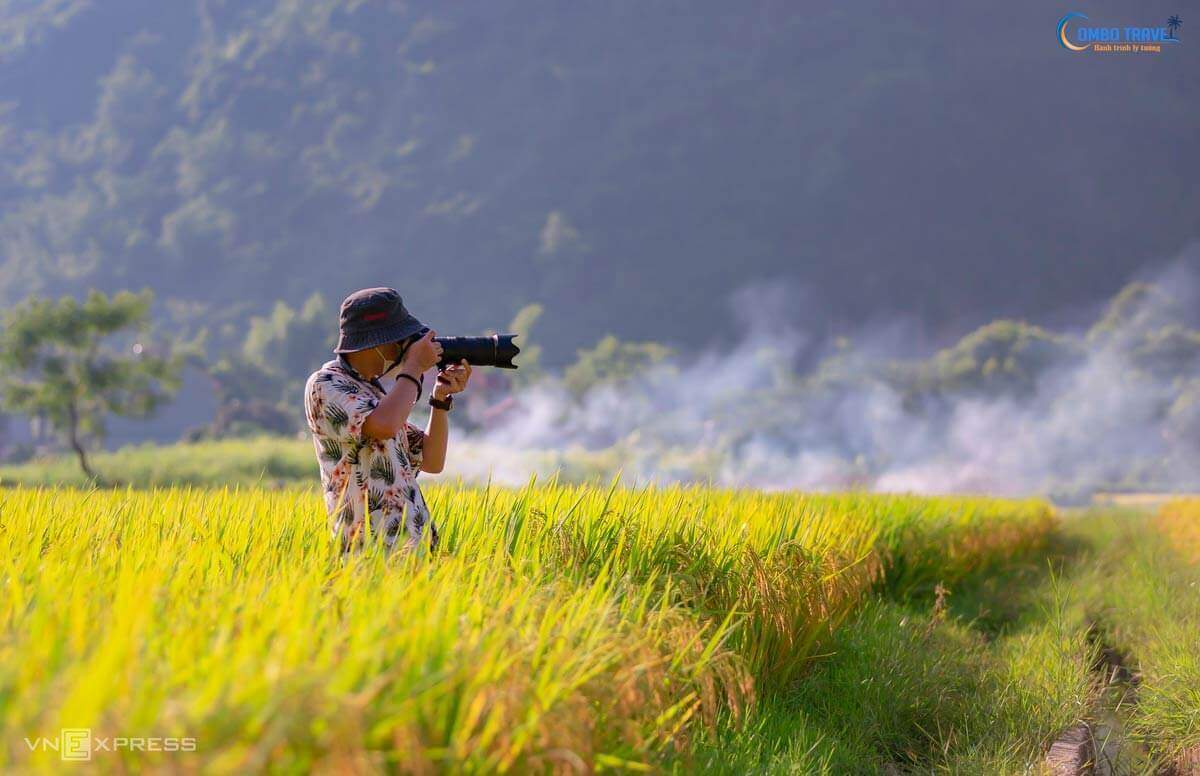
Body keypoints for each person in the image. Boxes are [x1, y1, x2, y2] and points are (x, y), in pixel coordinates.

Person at [303, 287, 471, 555]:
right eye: (400, 339)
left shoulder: (375, 393)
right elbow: (384, 426)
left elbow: (431, 460)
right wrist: (413, 367)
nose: (403, 348)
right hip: (369, 555)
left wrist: (440, 399)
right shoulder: (326, 385)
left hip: (413, 553)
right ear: (378, 342)